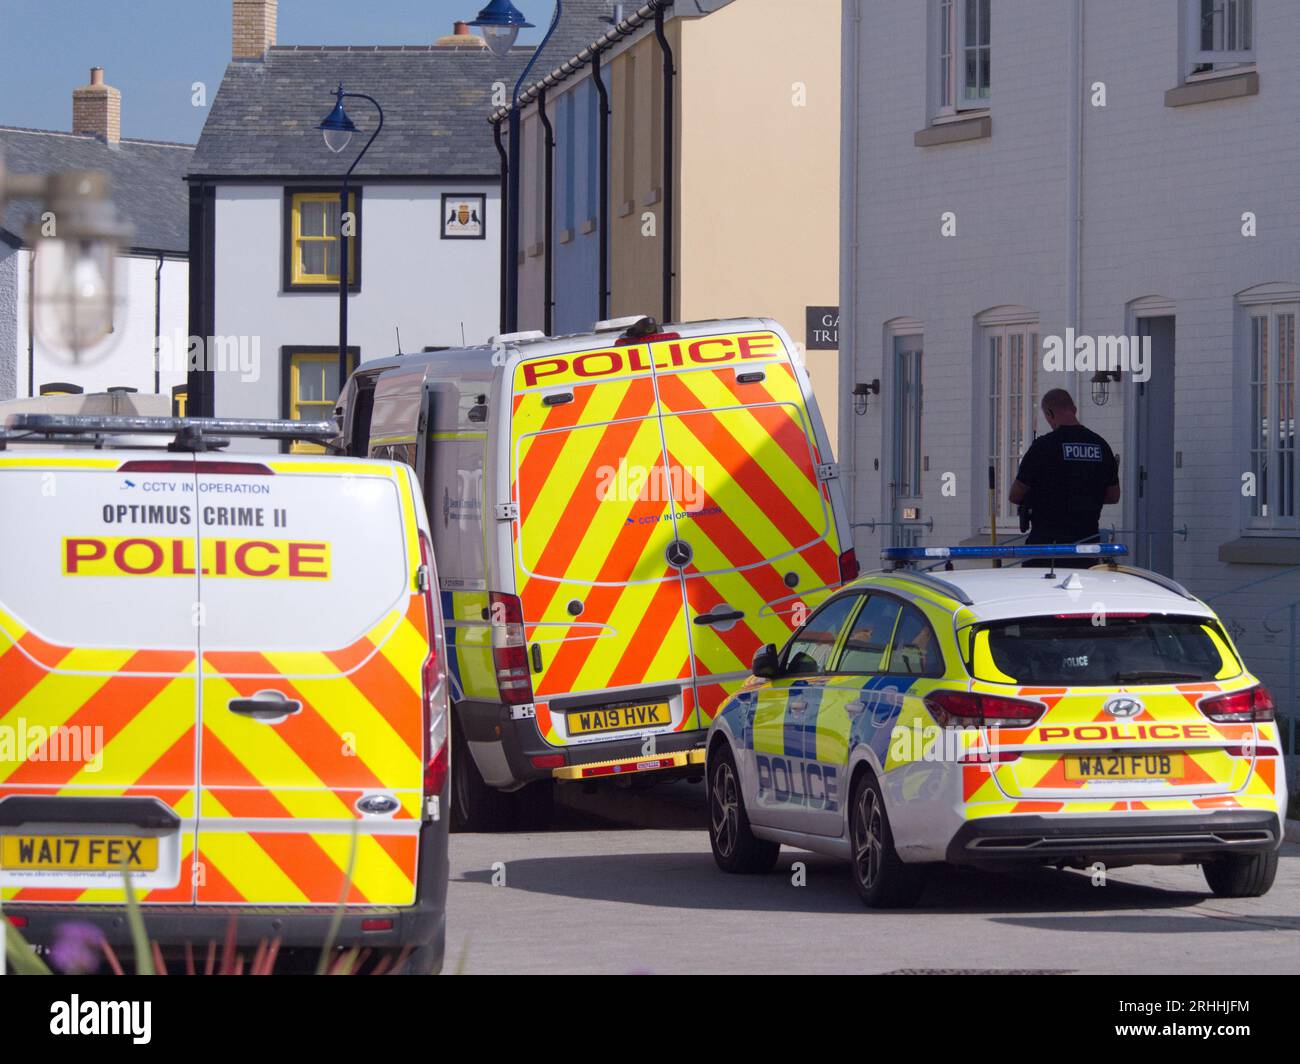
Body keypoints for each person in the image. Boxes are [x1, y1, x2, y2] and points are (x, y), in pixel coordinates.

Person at [1008, 388, 1120, 568]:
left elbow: (1015, 495)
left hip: (1046, 548)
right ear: (1074, 410)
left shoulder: (1043, 447)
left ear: (1049, 413)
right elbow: (1113, 496)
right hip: (1086, 546)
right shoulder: (1101, 446)